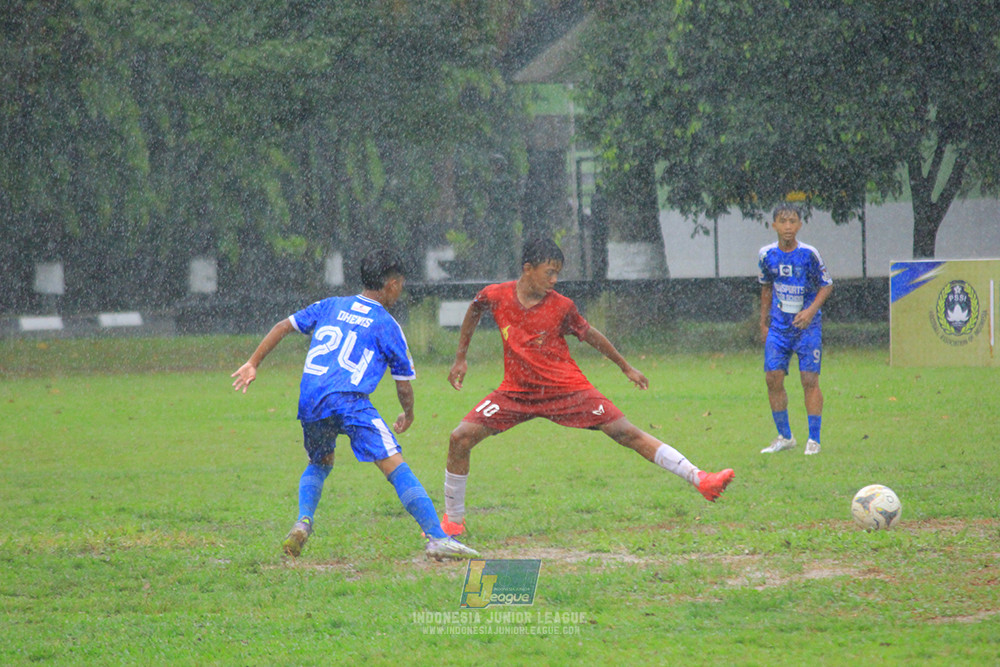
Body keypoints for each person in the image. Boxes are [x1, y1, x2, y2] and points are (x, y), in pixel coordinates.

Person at [439, 237, 735, 537]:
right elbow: (475, 308)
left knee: (625, 432)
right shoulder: (496, 295)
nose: (554, 280)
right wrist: (460, 358)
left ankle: (701, 479)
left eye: (557, 273)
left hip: (566, 390)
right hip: (515, 393)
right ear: (527, 268)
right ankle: (453, 522)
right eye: (548, 272)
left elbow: (590, 334)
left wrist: (625, 366)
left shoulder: (561, 306)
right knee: (460, 438)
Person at [231, 249, 478, 561]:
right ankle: (437, 537)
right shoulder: (387, 325)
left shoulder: (331, 305)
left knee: (320, 462)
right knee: (394, 464)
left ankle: (303, 521)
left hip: (312, 398)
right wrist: (410, 413)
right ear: (391, 285)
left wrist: (253, 363)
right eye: (400, 284)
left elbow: (283, 326)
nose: (400, 290)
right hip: (349, 400)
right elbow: (403, 386)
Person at [757, 203, 834, 456]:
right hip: (779, 328)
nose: (788, 226)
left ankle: (814, 439)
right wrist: (764, 322)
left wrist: (810, 311)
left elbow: (827, 285)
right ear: (774, 225)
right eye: (783, 221)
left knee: (809, 380)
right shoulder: (766, 255)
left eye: (792, 222)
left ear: (799, 225)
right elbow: (767, 288)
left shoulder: (809, 254)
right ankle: (785, 436)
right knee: (772, 379)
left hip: (807, 328)